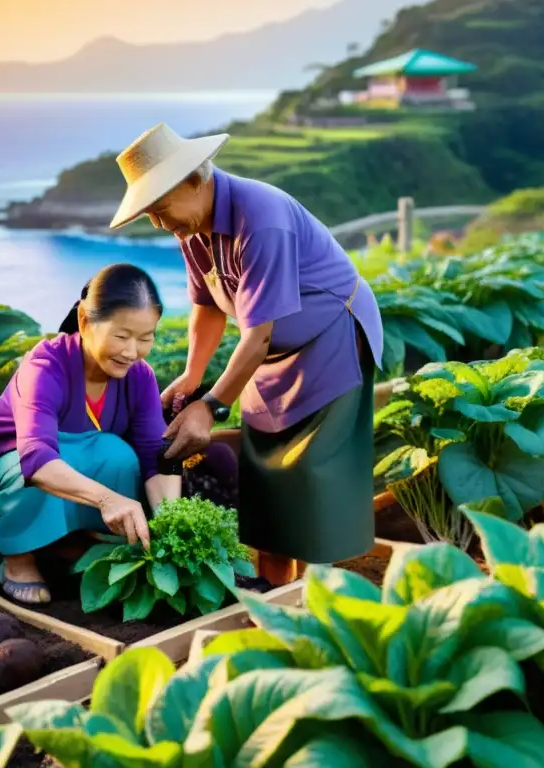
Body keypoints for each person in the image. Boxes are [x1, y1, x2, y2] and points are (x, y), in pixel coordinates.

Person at [108, 123, 385, 584]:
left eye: (160, 209)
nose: (159, 224)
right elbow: (206, 308)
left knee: (312, 478)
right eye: (149, 215)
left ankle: (317, 601)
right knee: (265, 479)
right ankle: (279, 590)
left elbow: (254, 335)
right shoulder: (191, 228)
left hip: (331, 339)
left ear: (195, 180)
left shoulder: (262, 219)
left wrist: (212, 407)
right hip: (270, 355)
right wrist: (193, 379)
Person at [0, 264, 181, 605]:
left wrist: (172, 523)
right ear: (85, 320)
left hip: (72, 467)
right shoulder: (45, 365)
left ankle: (71, 540)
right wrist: (108, 500)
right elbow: (36, 459)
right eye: (121, 336)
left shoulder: (139, 376)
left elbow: (156, 454)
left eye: (146, 338)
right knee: (39, 467)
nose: (132, 351)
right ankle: (19, 558)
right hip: (2, 476)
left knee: (119, 454)